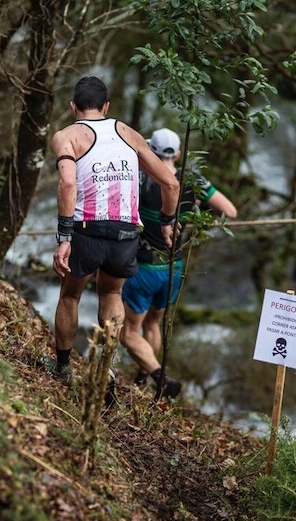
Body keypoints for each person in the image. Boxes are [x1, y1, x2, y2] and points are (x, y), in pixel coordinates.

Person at [44, 76, 181, 387]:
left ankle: (62, 368)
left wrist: (64, 237)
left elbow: (67, 183)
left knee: (70, 295)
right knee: (111, 292)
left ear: (72, 107)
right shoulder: (129, 133)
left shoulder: (66, 135)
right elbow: (171, 184)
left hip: (86, 230)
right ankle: (105, 370)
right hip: (125, 234)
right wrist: (167, 221)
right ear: (106, 107)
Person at [119, 128, 237, 398]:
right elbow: (229, 211)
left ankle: (157, 375)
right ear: (179, 154)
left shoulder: (141, 177)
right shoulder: (192, 179)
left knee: (129, 333)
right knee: (153, 324)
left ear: (151, 151)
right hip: (173, 268)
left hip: (143, 267)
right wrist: (196, 207)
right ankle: (142, 379)